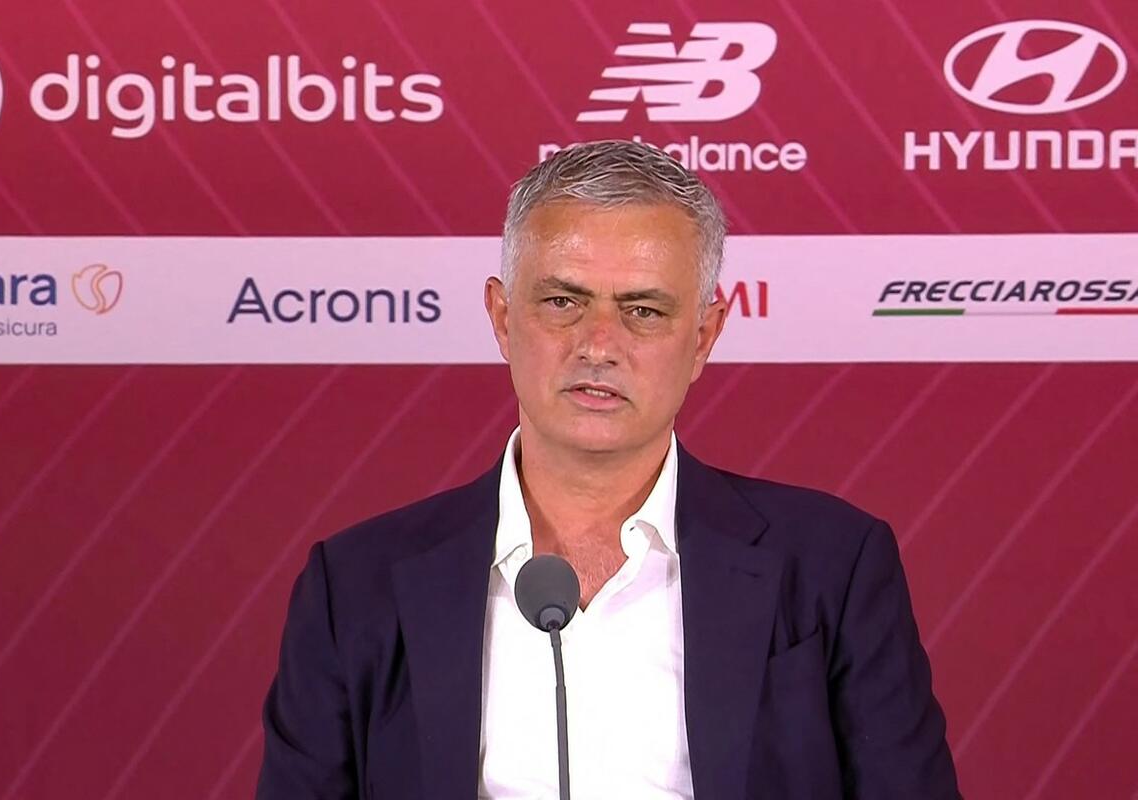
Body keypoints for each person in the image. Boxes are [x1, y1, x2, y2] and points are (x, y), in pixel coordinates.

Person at [255, 139, 961, 799]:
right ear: (502, 317)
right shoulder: (355, 585)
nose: (599, 344)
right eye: (563, 302)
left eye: (643, 310)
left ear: (704, 337)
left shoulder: (833, 566)